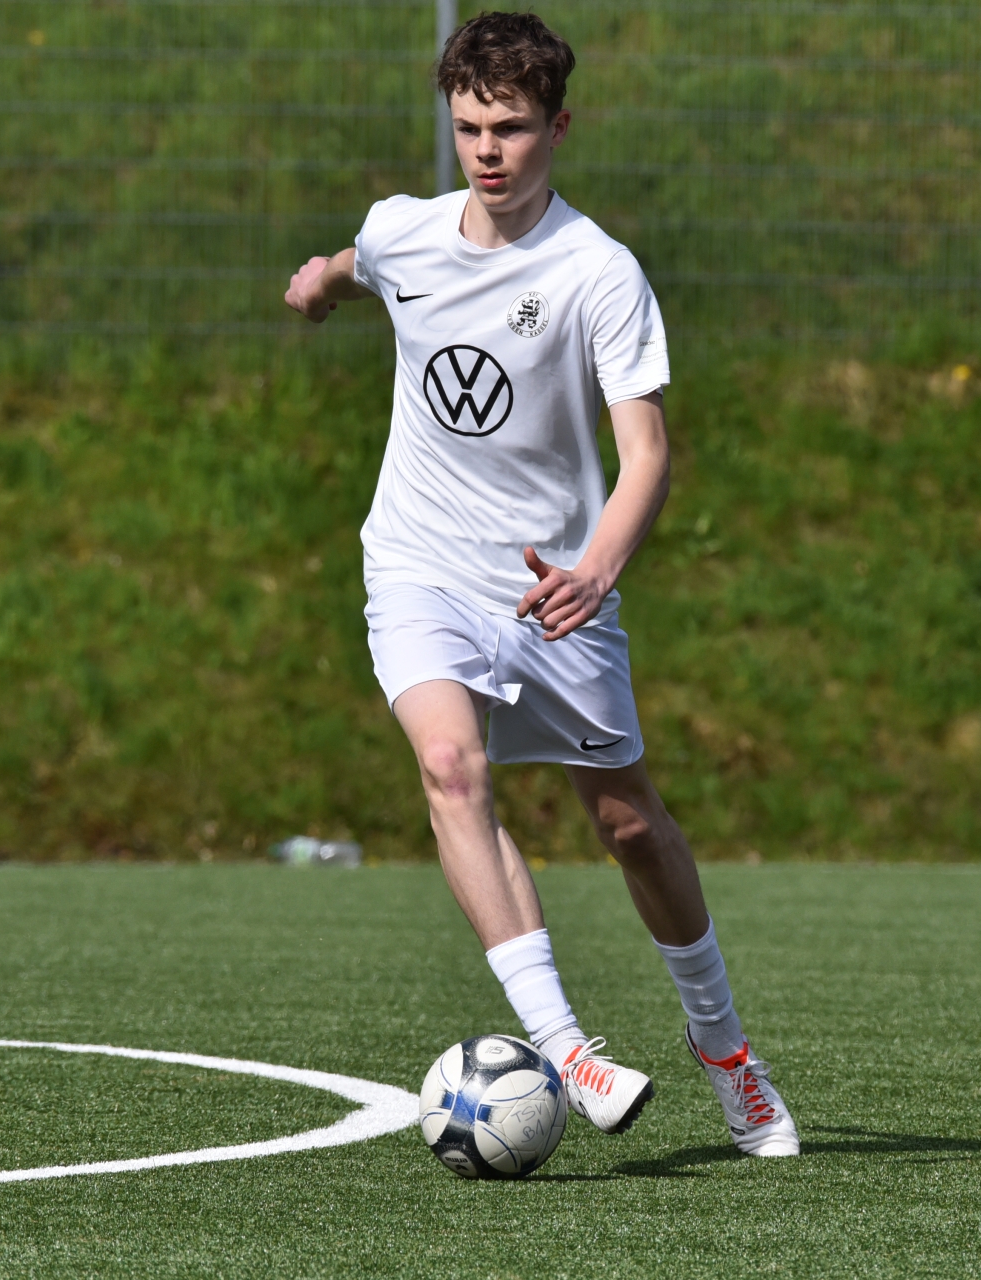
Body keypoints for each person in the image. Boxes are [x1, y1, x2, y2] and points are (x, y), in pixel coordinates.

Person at [282, 10, 797, 1157]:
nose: (487, 150)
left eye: (510, 127)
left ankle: (728, 1054)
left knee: (629, 823)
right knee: (449, 765)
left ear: (558, 128)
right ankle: (566, 1049)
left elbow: (647, 452)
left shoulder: (597, 273)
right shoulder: (405, 230)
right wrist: (317, 286)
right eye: (469, 126)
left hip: (553, 581)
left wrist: (596, 569)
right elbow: (362, 268)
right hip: (419, 561)